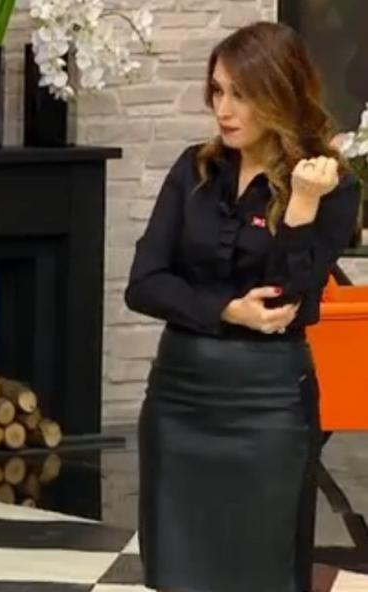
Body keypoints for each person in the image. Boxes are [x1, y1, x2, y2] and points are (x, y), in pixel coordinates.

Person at [125, 21, 361, 592]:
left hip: (269, 405)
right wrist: (228, 309)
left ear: (281, 93)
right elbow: (145, 283)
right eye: (217, 91)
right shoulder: (194, 169)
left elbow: (288, 300)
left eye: (241, 94)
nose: (224, 109)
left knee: (264, 571)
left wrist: (302, 204)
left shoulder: (332, 185)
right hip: (180, 397)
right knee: (176, 569)